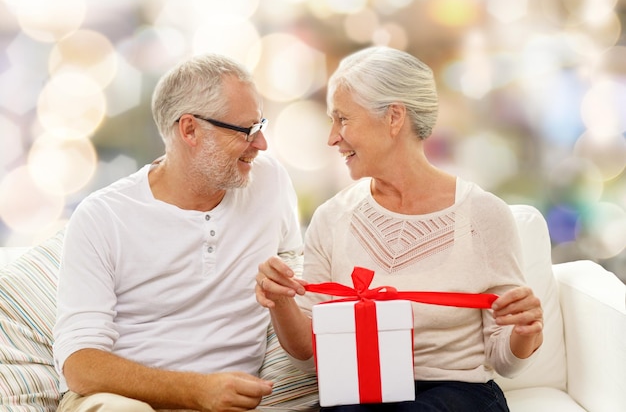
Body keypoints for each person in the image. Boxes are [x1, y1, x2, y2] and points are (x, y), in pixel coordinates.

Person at [256, 46, 544, 412]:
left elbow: (505, 360)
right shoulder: (332, 218)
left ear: (394, 118)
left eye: (343, 119)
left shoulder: (483, 216)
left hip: (457, 394)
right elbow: (308, 355)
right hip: (363, 391)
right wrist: (280, 300)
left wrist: (525, 332)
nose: (332, 137)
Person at [53, 53, 303, 412]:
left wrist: (281, 293)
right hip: (123, 401)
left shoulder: (270, 183)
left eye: (260, 125)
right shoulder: (103, 216)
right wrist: (196, 391)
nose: (261, 144)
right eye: (247, 130)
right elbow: (80, 365)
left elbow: (299, 305)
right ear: (190, 130)